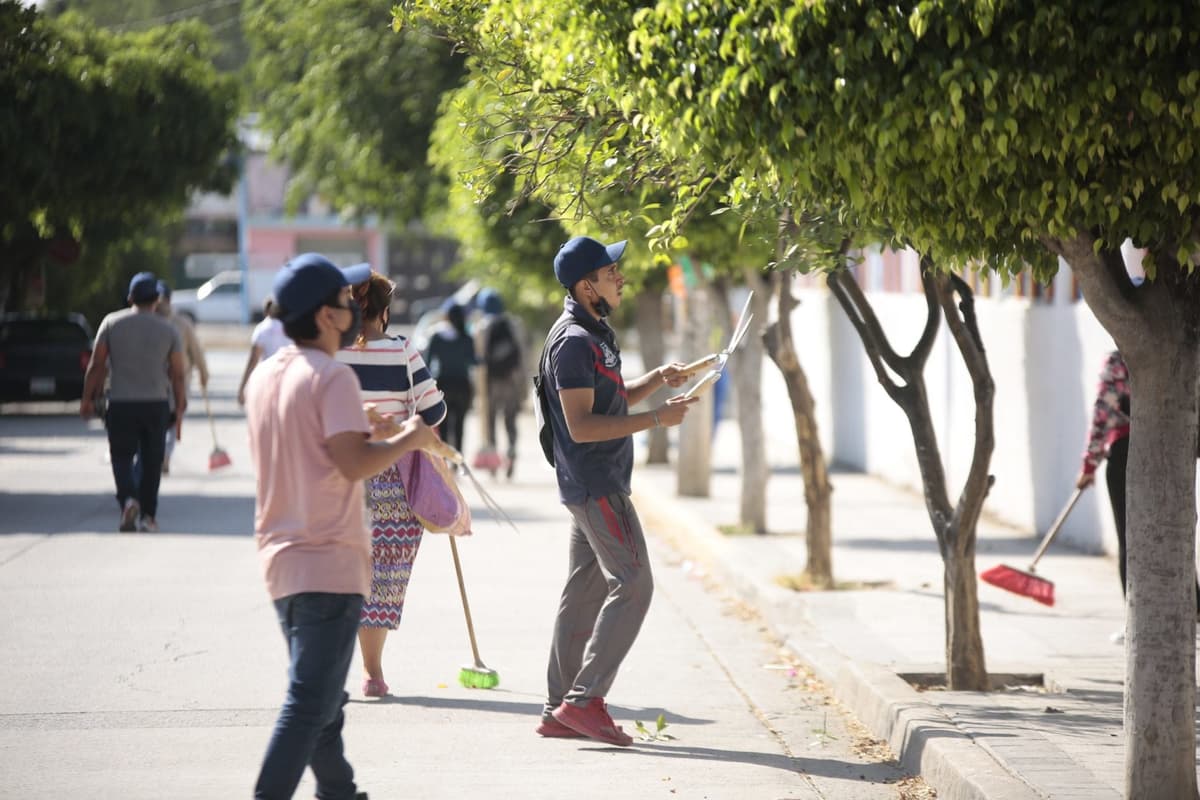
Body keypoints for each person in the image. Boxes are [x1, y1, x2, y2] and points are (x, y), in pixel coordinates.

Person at [244, 253, 437, 800]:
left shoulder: (266, 376)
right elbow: (354, 463)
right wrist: (412, 437)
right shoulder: (329, 377)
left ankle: (342, 793)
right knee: (310, 705)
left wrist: (364, 421)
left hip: (281, 560)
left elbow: (309, 441)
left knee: (325, 705)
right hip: (329, 563)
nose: (352, 313)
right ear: (325, 316)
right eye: (343, 305)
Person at [536, 235, 697, 745]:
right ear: (587, 286)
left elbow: (607, 400)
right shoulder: (574, 342)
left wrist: (655, 381)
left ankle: (557, 708)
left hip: (591, 484)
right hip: (597, 484)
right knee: (634, 584)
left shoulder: (592, 332)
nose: (621, 277)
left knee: (582, 595)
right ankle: (584, 702)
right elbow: (582, 425)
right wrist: (656, 419)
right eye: (611, 272)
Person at [336, 271, 448, 698]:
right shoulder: (403, 352)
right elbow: (433, 411)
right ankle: (373, 672)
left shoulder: (332, 356)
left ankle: (328, 663)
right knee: (384, 573)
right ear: (384, 313)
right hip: (392, 476)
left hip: (342, 472)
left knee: (340, 568)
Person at [1075, 349, 1200, 644]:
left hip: (1126, 452)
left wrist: (1089, 464)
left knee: (1130, 538)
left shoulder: (1120, 359)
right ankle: (1194, 612)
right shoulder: (1178, 349)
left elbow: (1103, 411)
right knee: (1176, 533)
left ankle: (1136, 619)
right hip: (1173, 449)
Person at [81, 272, 185, 533]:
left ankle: (128, 499)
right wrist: (180, 406)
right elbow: (178, 374)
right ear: (157, 299)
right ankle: (148, 517)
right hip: (156, 404)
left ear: (130, 297)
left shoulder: (111, 323)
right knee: (151, 462)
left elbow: (96, 365)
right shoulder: (169, 329)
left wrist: (86, 400)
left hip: (121, 402)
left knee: (122, 458)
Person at [154, 281, 208, 475]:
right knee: (168, 420)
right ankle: (163, 455)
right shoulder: (176, 322)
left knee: (172, 420)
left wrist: (203, 372)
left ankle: (164, 456)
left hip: (177, 380)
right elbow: (197, 351)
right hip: (158, 381)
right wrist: (203, 372)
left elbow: (196, 350)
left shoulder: (181, 323)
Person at [473, 287, 525, 478]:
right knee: (510, 420)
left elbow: (479, 360)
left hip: (491, 382)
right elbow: (521, 355)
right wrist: (522, 384)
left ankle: (493, 460)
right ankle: (511, 452)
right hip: (511, 379)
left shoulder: (481, 326)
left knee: (491, 420)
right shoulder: (514, 324)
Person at [423, 303, 475, 452]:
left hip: (443, 385)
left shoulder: (437, 337)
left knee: (443, 425)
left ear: (446, 317)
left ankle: (445, 459)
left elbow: (427, 362)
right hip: (463, 385)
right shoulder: (467, 338)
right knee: (460, 425)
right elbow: (473, 361)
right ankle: (458, 460)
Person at [238, 297, 293, 406]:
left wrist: (243, 387)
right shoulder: (290, 328)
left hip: (268, 379)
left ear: (266, 311)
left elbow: (253, 360)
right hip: (289, 380)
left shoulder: (262, 329)